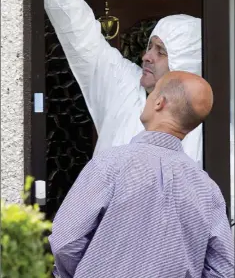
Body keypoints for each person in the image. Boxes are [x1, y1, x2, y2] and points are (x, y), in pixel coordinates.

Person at [43, 0, 202, 165]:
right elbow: (82, 37)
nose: (146, 56)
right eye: (150, 46)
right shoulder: (125, 86)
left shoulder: (211, 133)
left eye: (161, 51)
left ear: (185, 64)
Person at [49, 71, 234, 278]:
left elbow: (66, 241)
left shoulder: (111, 164)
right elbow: (224, 270)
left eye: (153, 92)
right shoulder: (207, 190)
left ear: (159, 103)